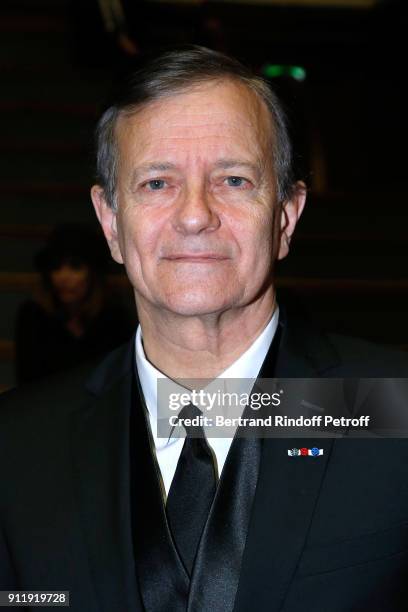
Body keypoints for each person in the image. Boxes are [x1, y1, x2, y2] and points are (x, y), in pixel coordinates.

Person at [1, 46, 408, 612]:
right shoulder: (17, 446)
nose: (195, 215)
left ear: (286, 217)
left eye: (235, 180)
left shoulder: (395, 409)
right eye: (158, 183)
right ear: (111, 223)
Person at [14, 223, 134, 384]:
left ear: (92, 273)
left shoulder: (114, 319)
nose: (64, 277)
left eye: (75, 266)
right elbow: (27, 380)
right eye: (56, 267)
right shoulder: (34, 316)